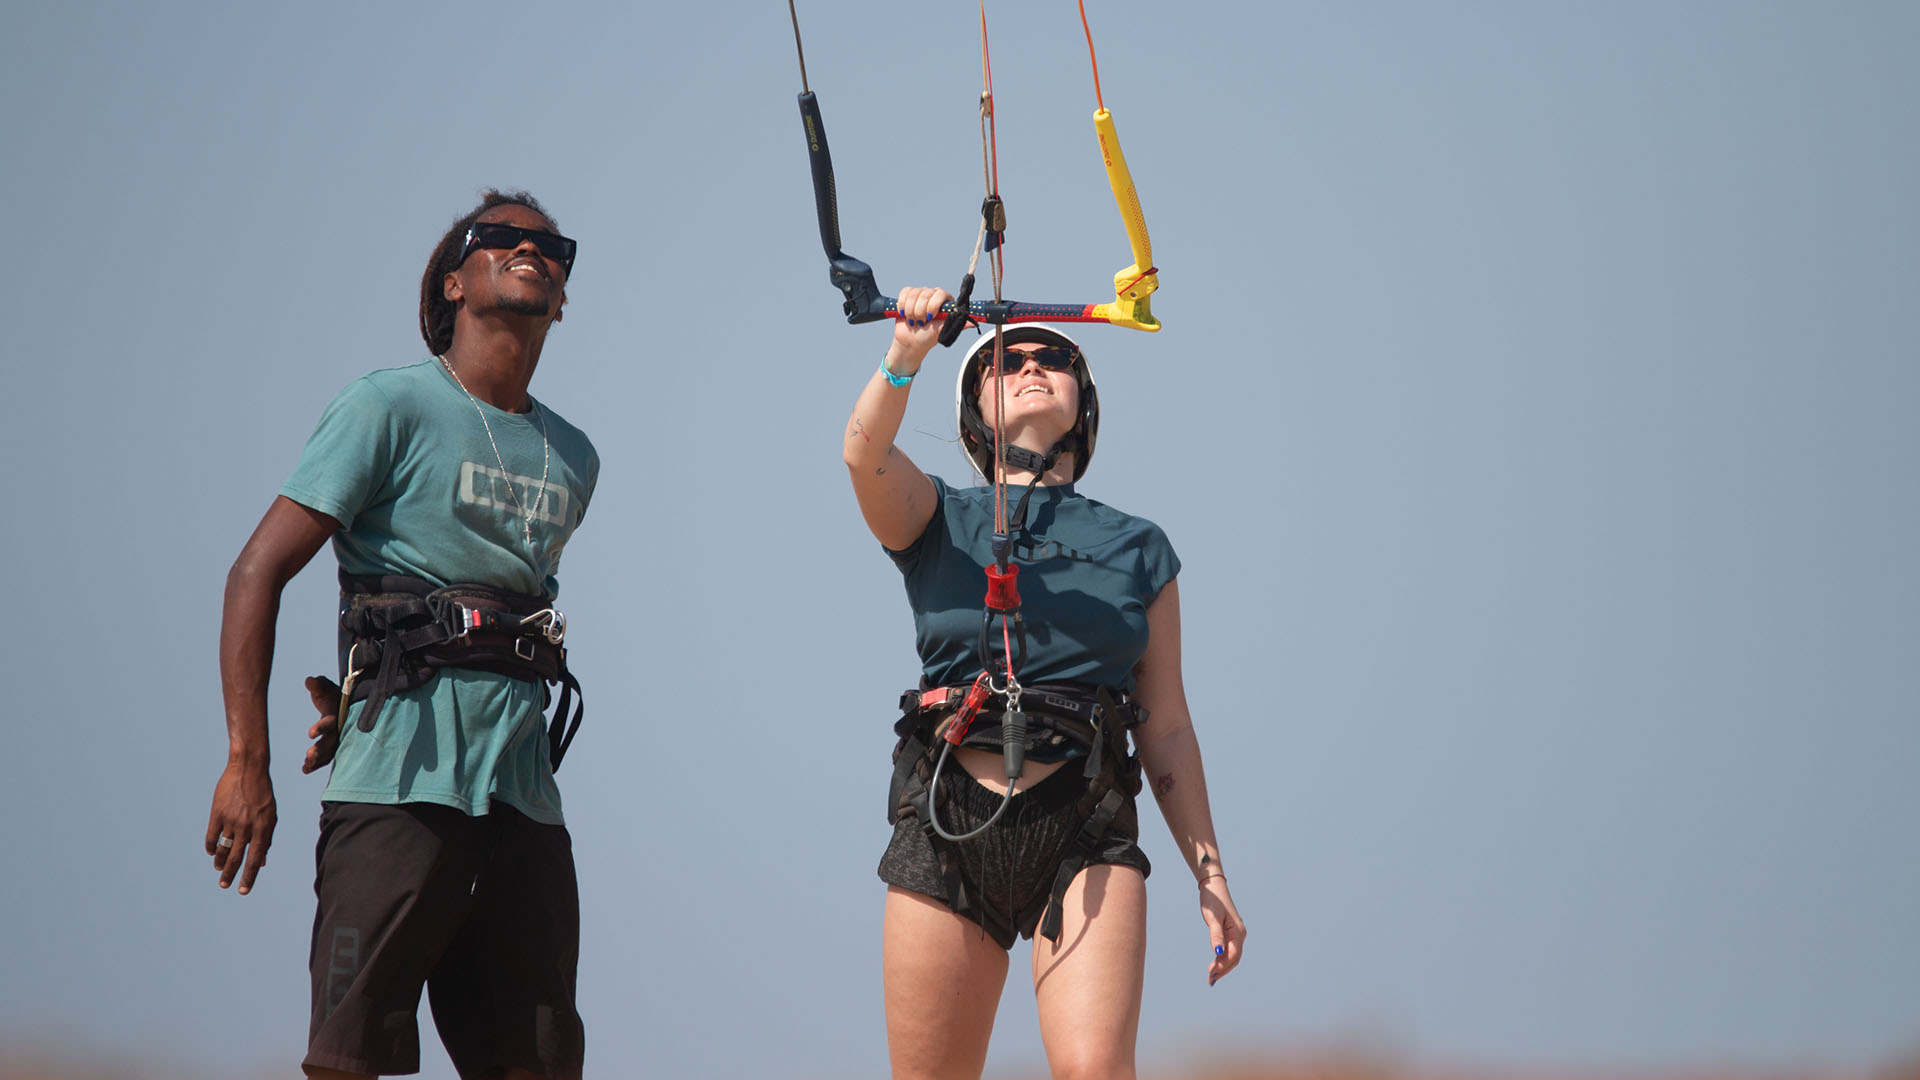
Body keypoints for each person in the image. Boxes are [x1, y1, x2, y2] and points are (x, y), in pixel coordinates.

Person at [204, 190, 599, 1080]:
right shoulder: (388, 405)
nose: (528, 249)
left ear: (566, 296)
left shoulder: (576, 455)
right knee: (347, 1060)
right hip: (398, 780)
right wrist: (246, 759)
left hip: (523, 796)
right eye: (499, 238)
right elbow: (254, 572)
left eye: (550, 245)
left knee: (537, 1064)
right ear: (454, 282)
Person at [843, 287, 1248, 1080]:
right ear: (974, 413)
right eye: (1005, 360)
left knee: (1096, 1071)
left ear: (1082, 400)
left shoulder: (1139, 547)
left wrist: (1212, 875)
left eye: (1053, 357)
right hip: (946, 814)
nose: (1031, 366)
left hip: (1085, 817)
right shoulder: (935, 518)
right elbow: (864, 456)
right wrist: (905, 355)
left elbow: (1165, 724)